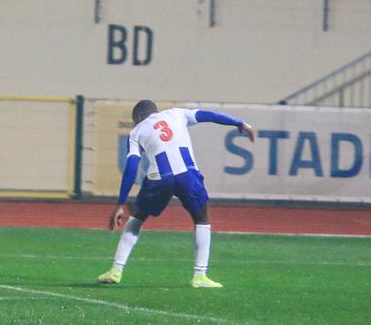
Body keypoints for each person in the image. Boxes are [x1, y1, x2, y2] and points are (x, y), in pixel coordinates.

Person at [97, 100, 255, 287]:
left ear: (137, 117)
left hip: (159, 178)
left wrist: (120, 203)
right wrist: (238, 122)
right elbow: (209, 115)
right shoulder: (177, 114)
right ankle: (200, 276)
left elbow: (132, 166)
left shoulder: (137, 131)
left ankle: (116, 270)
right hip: (187, 175)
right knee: (201, 219)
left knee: (137, 217)